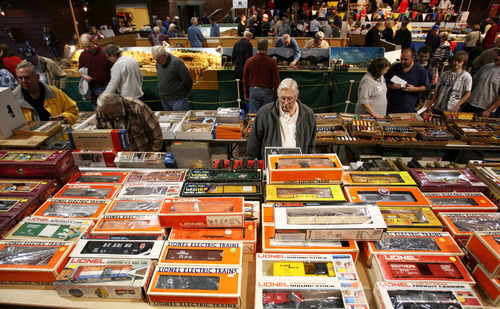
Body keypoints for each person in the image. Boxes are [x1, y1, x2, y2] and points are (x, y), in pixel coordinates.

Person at [247, 78, 316, 160]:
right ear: (278, 95)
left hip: (298, 165)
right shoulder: (264, 113)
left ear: (297, 96)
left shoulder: (308, 114)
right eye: (282, 98)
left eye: (289, 99)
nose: (286, 103)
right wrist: (253, 164)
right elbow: (253, 143)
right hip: (272, 165)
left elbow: (311, 147)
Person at [13, 61, 79, 124]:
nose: (23, 81)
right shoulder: (13, 99)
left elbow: (73, 111)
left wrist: (65, 118)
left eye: (27, 77)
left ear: (37, 77)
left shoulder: (54, 92)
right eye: (20, 78)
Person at [96, 92, 162, 152]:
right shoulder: (102, 110)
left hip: (140, 153)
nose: (110, 117)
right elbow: (101, 135)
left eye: (112, 113)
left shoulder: (138, 108)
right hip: (116, 156)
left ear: (120, 105)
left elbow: (156, 136)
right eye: (106, 114)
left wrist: (148, 157)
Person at [385, 47, 431, 113]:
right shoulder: (394, 68)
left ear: (413, 58)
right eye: (402, 58)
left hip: (408, 107)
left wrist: (414, 89)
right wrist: (392, 86)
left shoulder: (421, 70)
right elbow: (384, 83)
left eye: (406, 59)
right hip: (391, 106)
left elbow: (426, 87)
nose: (403, 61)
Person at [243, 38, 280, 114]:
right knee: (266, 116)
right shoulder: (272, 62)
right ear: (267, 48)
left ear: (257, 47)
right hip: (267, 92)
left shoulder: (249, 61)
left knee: (253, 116)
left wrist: (246, 93)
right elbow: (276, 81)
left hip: (253, 91)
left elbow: (245, 79)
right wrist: (276, 95)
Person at [152, 45, 193, 111]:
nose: (156, 62)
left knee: (180, 119)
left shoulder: (177, 63)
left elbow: (188, 80)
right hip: (164, 100)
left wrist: (182, 94)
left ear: (164, 56)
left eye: (157, 59)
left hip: (178, 100)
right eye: (155, 59)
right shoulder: (158, 64)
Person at [461, 49, 500, 117]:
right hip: (470, 104)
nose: (497, 57)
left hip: (485, 109)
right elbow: (475, 83)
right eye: (498, 54)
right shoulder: (486, 67)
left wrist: (489, 111)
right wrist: (464, 98)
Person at [78, 33, 112, 110]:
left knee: (108, 108)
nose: (86, 48)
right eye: (84, 46)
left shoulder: (104, 53)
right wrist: (84, 76)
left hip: (105, 86)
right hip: (92, 87)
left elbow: (112, 68)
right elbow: (79, 70)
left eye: (88, 46)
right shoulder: (83, 55)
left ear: (92, 41)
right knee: (96, 110)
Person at [232, 31, 254, 111]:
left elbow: (233, 57)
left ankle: (240, 107)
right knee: (245, 88)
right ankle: (246, 108)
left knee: (239, 89)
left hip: (236, 69)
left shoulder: (237, 43)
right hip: (244, 69)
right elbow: (248, 60)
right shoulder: (249, 45)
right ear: (250, 36)